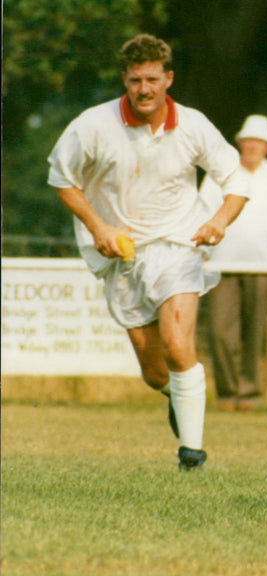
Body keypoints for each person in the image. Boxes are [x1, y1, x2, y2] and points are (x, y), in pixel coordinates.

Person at [47, 33, 250, 471]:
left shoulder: (193, 125)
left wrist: (218, 221)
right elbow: (62, 178)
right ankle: (176, 396)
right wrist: (98, 226)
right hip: (122, 255)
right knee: (156, 371)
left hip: (178, 245)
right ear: (125, 78)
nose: (144, 89)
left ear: (168, 79)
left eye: (152, 79)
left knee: (179, 346)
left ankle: (191, 456)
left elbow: (236, 179)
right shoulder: (93, 125)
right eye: (136, 80)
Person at [199, 114, 267, 412]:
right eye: (248, 141)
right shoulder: (221, 174)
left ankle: (248, 394)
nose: (253, 146)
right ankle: (226, 393)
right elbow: (202, 210)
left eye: (259, 142)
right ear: (240, 142)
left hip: (263, 267)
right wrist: (199, 247)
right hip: (221, 264)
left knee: (254, 332)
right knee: (221, 331)